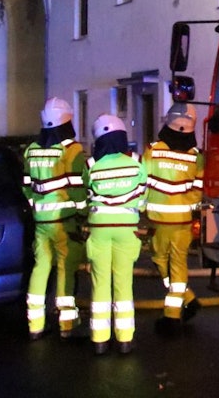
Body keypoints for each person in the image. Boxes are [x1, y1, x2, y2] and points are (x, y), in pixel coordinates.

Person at [22, 97, 88, 340]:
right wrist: (83, 214)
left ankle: (35, 324)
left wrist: (37, 207)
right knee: (65, 269)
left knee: (40, 268)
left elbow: (27, 186)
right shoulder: (71, 151)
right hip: (65, 221)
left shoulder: (32, 150)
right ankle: (67, 324)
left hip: (41, 222)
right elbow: (78, 189)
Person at [84, 114, 148, 355]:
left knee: (100, 284)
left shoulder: (91, 165)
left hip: (99, 230)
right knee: (124, 284)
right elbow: (142, 199)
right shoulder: (137, 162)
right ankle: (124, 340)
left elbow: (85, 196)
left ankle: (99, 340)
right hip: (127, 229)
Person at [143, 103, 205, 336]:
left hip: (158, 220)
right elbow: (198, 190)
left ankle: (172, 316)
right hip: (182, 221)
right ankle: (186, 299)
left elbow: (143, 183)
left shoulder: (152, 150)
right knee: (177, 264)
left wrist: (140, 209)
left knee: (161, 261)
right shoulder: (196, 157)